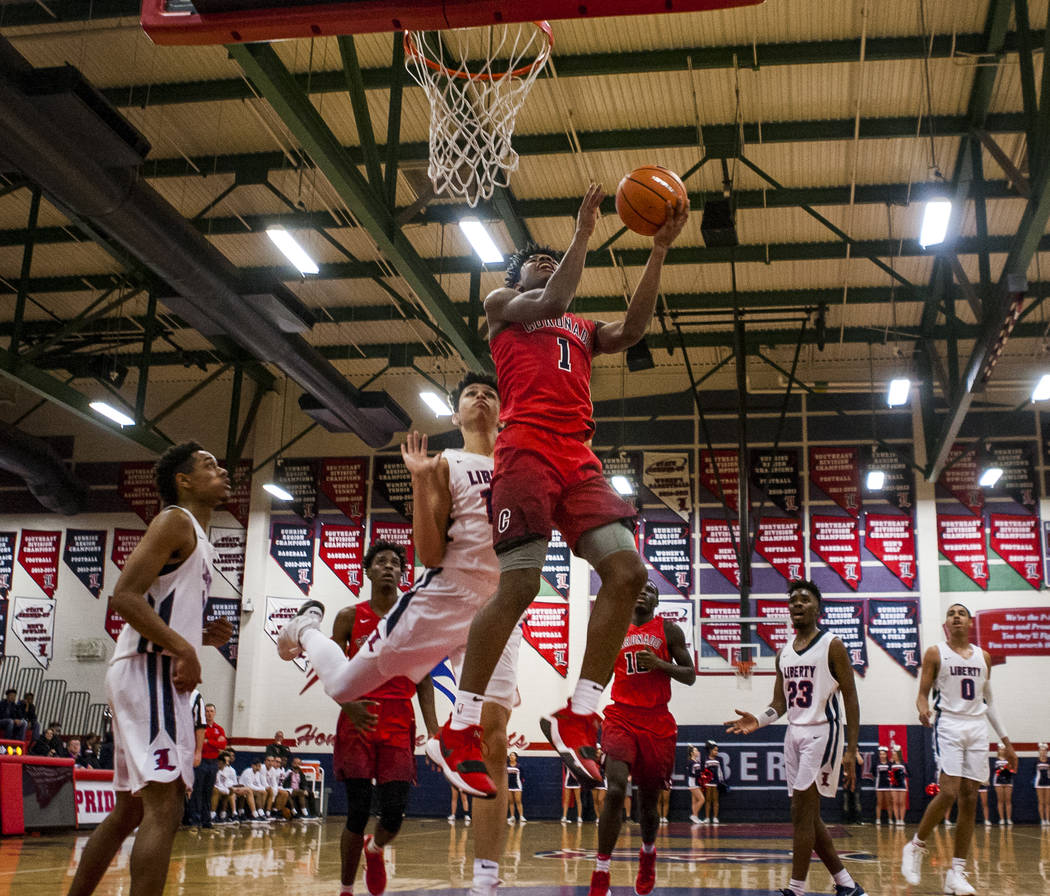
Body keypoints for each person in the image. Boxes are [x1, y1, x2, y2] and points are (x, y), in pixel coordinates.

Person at [431, 185, 690, 795]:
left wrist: (657, 250)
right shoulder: (504, 305)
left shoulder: (578, 325)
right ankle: (460, 725)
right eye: (535, 262)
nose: (545, 267)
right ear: (515, 276)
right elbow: (555, 292)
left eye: (552, 260)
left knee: (628, 575)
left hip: (577, 454)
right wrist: (582, 232)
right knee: (519, 584)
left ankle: (578, 712)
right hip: (523, 446)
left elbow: (632, 329)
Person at [277, 373, 526, 896]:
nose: (480, 399)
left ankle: (486, 880)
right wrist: (418, 482)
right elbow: (431, 555)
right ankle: (306, 628)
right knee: (343, 684)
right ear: (455, 416)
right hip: (446, 596)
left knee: (495, 737)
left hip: (500, 604)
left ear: (502, 412)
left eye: (489, 394)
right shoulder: (443, 463)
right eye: (469, 395)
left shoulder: (519, 465)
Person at [65, 442, 233, 896]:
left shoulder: (196, 533)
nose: (222, 471)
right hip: (150, 670)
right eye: (209, 466)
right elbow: (124, 596)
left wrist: (198, 636)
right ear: (183, 480)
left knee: (129, 812)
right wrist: (185, 649)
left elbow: (159, 604)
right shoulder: (175, 520)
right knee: (165, 806)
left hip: (148, 669)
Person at [726, 579, 866, 896]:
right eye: (793, 601)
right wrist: (757, 721)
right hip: (794, 734)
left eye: (805, 599)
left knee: (803, 814)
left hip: (823, 732)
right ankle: (846, 884)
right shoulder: (783, 653)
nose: (797, 604)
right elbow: (780, 704)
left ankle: (796, 889)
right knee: (803, 815)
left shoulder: (833, 644)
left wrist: (851, 747)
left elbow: (851, 698)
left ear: (818, 607)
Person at [588, 580, 695, 896]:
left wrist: (661, 664)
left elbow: (689, 675)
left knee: (649, 805)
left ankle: (648, 853)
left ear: (657, 599)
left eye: (649, 589)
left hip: (657, 721)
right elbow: (603, 673)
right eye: (637, 587)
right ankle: (601, 872)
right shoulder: (615, 629)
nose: (641, 591)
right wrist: (581, 706)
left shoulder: (670, 631)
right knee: (617, 788)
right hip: (621, 716)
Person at [901, 603, 1015, 896]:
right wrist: (923, 710)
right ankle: (915, 846)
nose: (956, 616)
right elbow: (922, 695)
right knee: (949, 791)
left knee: (969, 800)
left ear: (970, 621)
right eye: (951, 613)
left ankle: (957, 872)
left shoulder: (983, 657)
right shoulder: (936, 653)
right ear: (947, 623)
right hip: (949, 723)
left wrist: (1006, 742)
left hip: (977, 728)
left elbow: (990, 701)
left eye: (961, 613)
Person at [702, 741, 725, 824]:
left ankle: (715, 817)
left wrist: (722, 781)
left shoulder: (719, 759)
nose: (716, 752)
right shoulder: (705, 759)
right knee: (708, 800)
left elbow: (721, 771)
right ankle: (707, 818)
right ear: (711, 751)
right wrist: (703, 782)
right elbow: (703, 772)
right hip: (708, 783)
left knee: (715, 800)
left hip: (716, 783)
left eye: (717, 750)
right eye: (715, 750)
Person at [993, 742, 1014, 825]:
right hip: (998, 781)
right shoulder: (996, 760)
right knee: (1000, 801)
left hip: (1008, 781)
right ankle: (1001, 819)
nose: (1002, 751)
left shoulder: (1009, 760)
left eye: (1004, 750)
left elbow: (1011, 770)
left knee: (1008, 801)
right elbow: (996, 771)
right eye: (1001, 749)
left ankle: (1008, 819)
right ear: (998, 750)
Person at [889, 744, 908, 827]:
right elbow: (887, 774)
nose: (894, 755)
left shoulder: (904, 764)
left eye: (896, 754)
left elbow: (909, 774)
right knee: (895, 802)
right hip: (894, 785)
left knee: (902, 802)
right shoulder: (891, 764)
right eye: (893, 754)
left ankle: (902, 820)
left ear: (899, 754)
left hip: (902, 785)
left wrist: (902, 774)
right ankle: (897, 820)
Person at [686, 745, 705, 825]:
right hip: (693, 783)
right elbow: (690, 773)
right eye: (696, 750)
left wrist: (700, 775)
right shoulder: (691, 762)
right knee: (702, 799)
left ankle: (695, 817)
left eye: (697, 750)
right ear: (692, 753)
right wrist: (700, 776)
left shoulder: (696, 761)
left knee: (694, 801)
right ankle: (694, 815)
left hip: (695, 782)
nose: (698, 752)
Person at [874, 746, 891, 825]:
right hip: (879, 785)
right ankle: (878, 819)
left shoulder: (890, 764)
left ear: (886, 755)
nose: (882, 756)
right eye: (880, 754)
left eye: (883, 754)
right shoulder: (876, 764)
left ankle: (890, 819)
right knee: (879, 803)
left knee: (888, 803)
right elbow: (874, 773)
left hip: (888, 786)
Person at [506, 752, 525, 823]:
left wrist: (520, 784)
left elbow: (522, 777)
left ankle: (521, 816)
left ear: (516, 757)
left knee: (518, 801)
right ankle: (512, 816)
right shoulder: (506, 766)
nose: (511, 756)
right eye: (510, 755)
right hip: (509, 786)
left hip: (517, 786)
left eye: (513, 755)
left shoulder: (519, 766)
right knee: (511, 802)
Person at [1036, 743, 1050, 827]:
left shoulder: (1049, 761)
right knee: (1041, 802)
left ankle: (1048, 819)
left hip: (1048, 783)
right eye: (1041, 750)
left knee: (1047, 803)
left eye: (1044, 751)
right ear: (1039, 751)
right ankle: (1042, 820)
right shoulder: (1036, 761)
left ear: (1046, 752)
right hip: (1039, 783)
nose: (1043, 752)